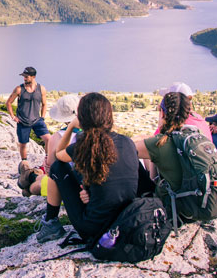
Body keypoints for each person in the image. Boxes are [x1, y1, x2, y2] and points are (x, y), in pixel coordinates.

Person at [35, 92, 140, 243]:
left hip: (93, 228)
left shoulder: (83, 145)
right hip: (125, 220)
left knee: (58, 168)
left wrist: (71, 126)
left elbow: (58, 155)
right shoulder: (127, 142)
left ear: (82, 118)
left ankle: (51, 222)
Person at [18, 94, 81, 197]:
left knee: (35, 186)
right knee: (42, 180)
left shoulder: (57, 137)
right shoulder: (93, 132)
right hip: (81, 181)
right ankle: (30, 176)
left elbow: (50, 167)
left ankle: (30, 178)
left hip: (65, 182)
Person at [6, 66, 51, 161]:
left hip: (37, 120)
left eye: (26, 76)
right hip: (23, 121)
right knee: (23, 144)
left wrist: (42, 117)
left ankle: (47, 160)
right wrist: (13, 116)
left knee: (49, 139)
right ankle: (24, 163)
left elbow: (44, 104)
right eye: (24, 76)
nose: (24, 78)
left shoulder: (41, 89)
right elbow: (8, 102)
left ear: (33, 77)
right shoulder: (19, 89)